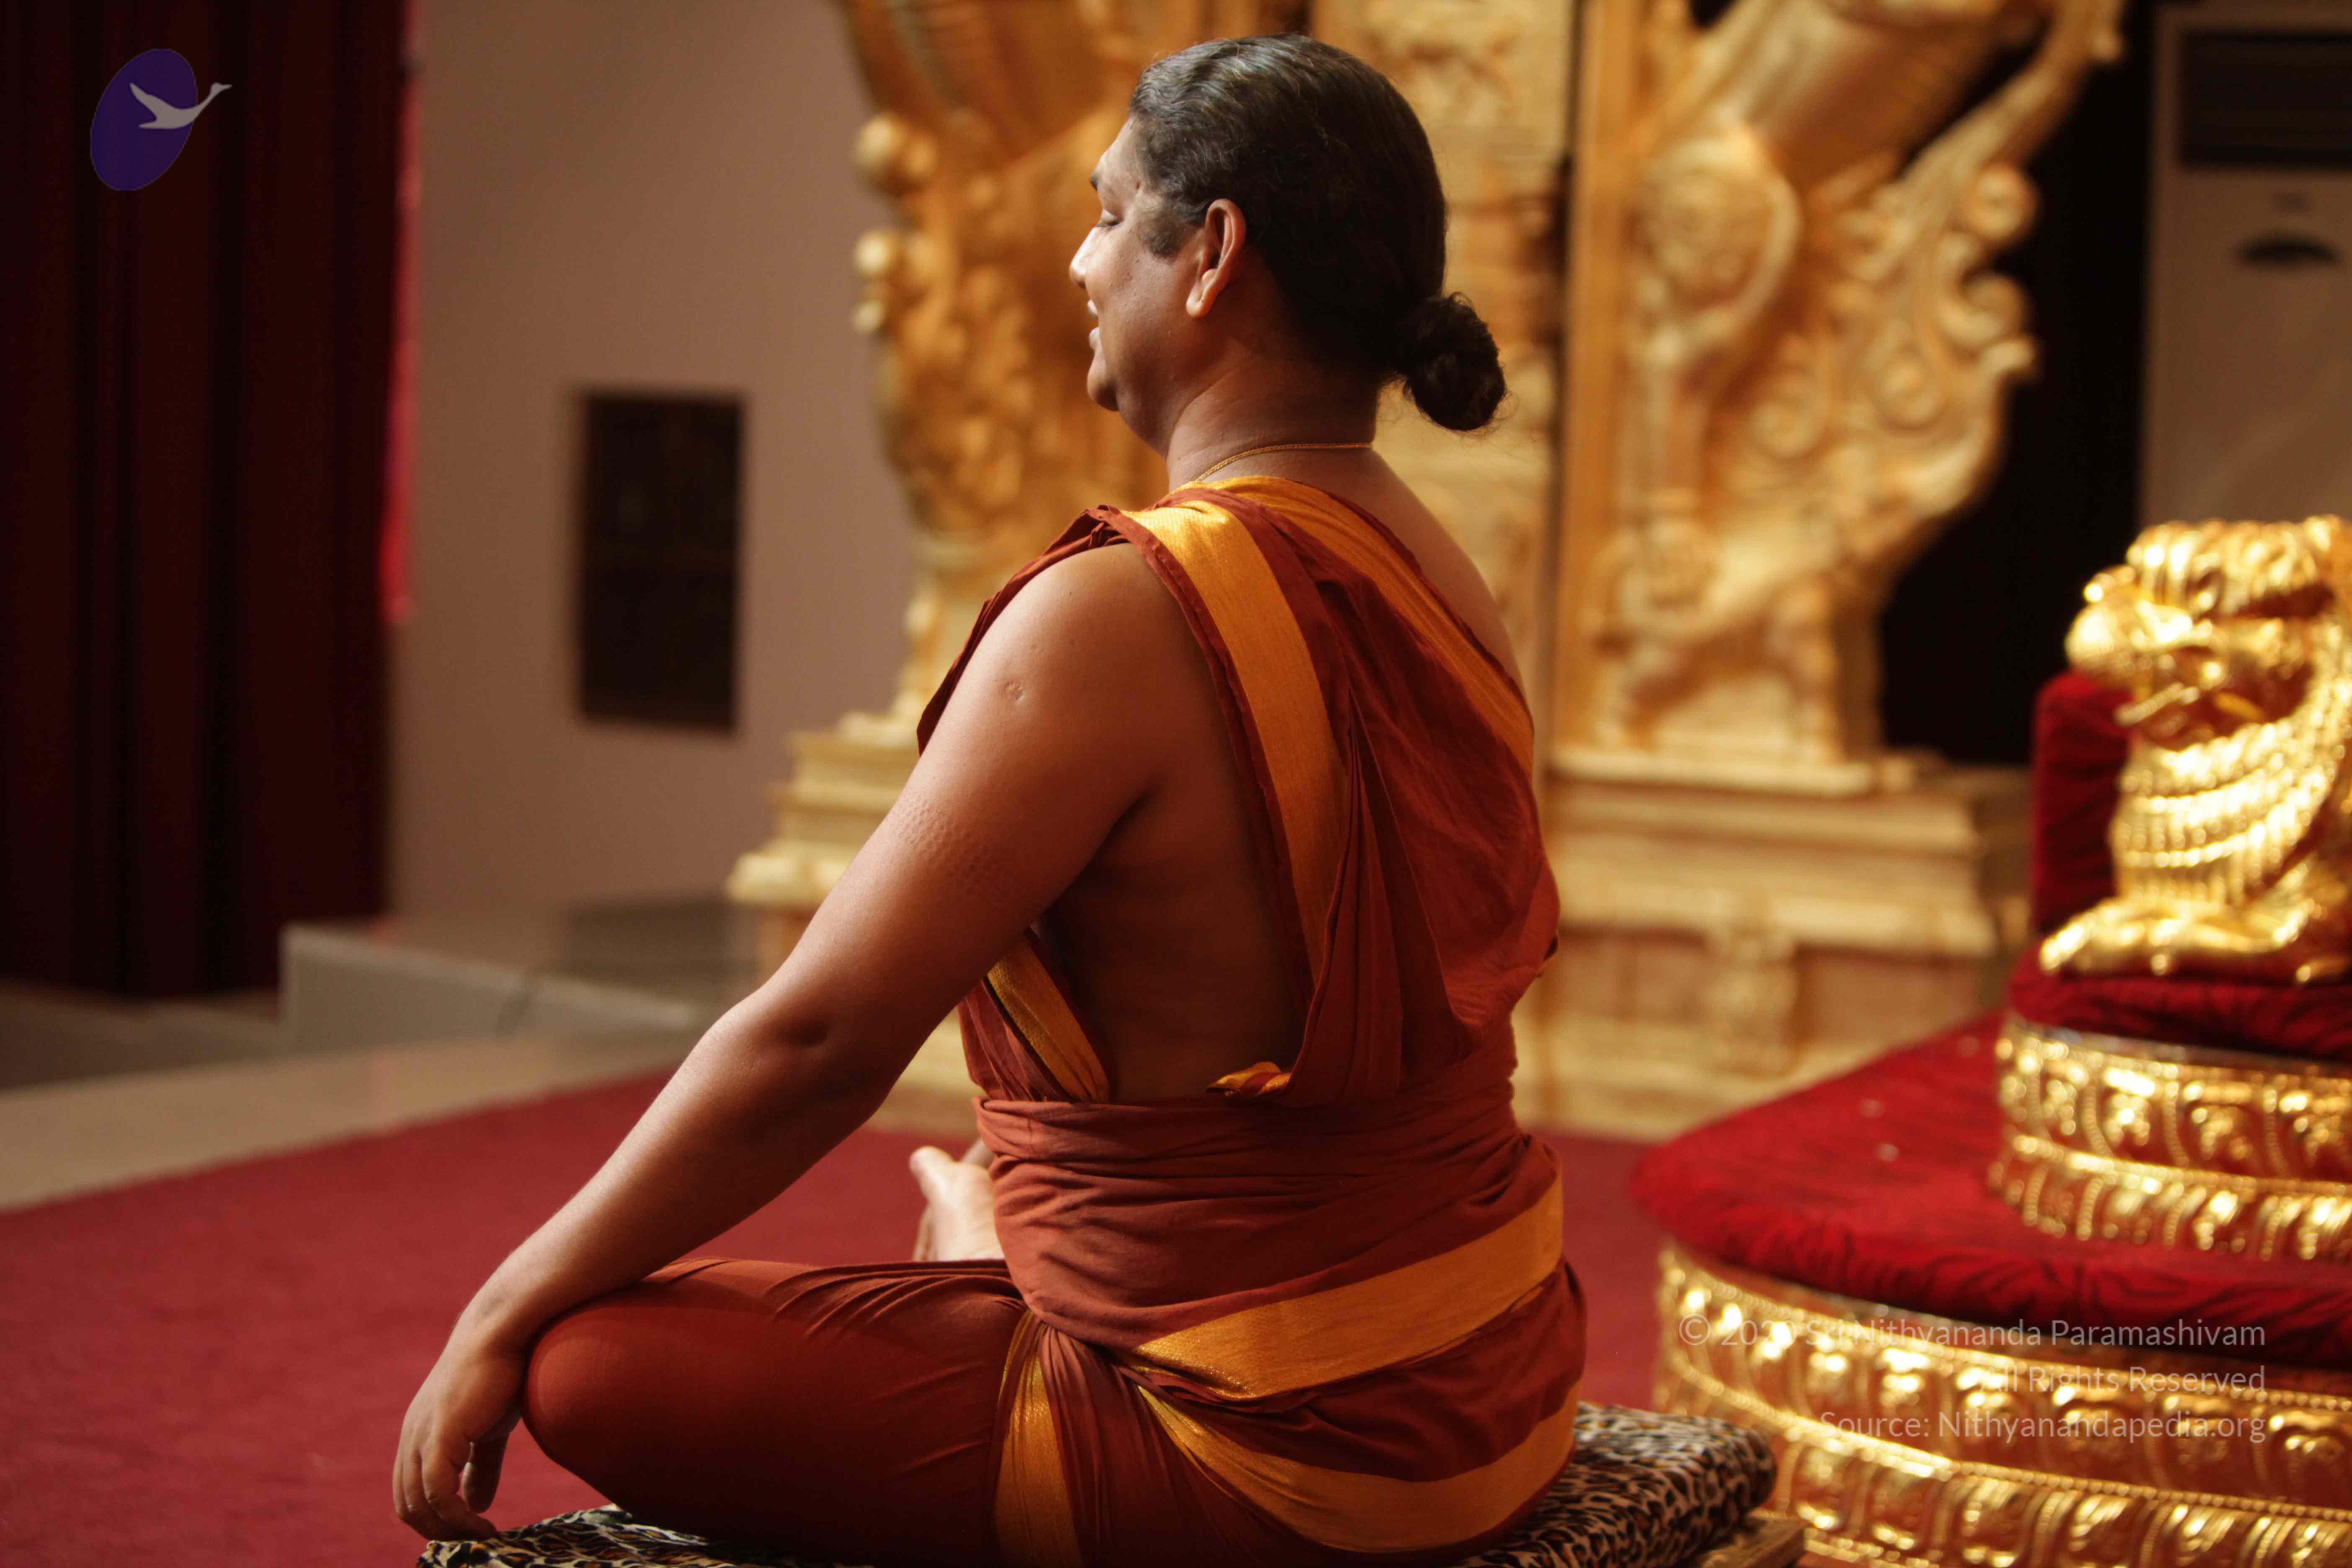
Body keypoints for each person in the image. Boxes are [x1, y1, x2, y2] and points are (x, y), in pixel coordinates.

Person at [394, 34, 1581, 1568]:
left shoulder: (1124, 611)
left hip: (1281, 1453)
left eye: (1109, 214)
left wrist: (507, 1300)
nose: (1081, 262)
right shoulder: (1447, 575)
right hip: (1504, 1369)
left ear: (1212, 254)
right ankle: (1009, 1264)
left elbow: (820, 1042)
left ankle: (1009, 1281)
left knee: (591, 1364)